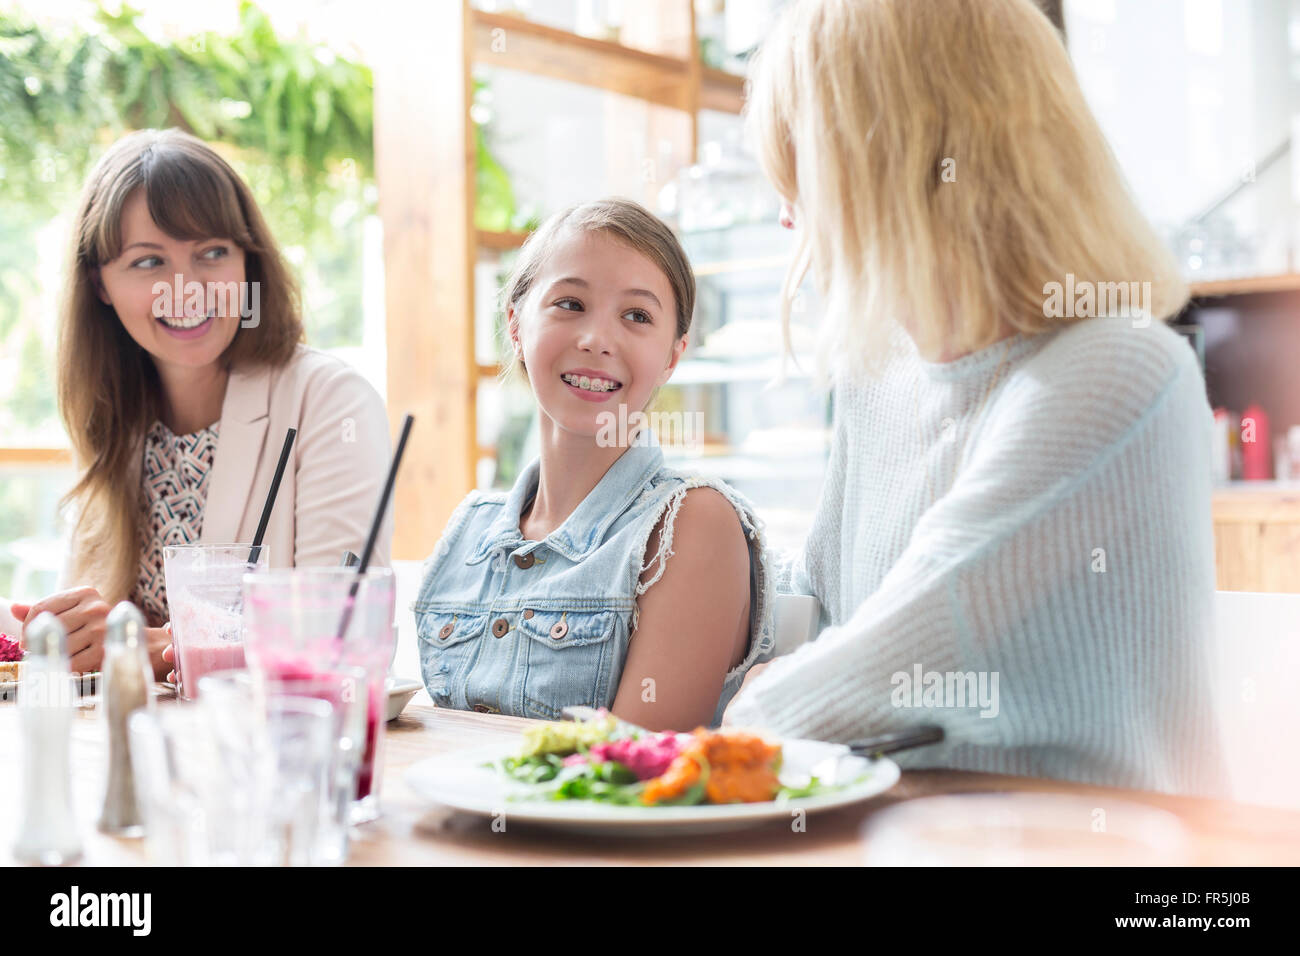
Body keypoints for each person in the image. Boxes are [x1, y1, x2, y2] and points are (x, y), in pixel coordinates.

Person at [723, 0, 1227, 796]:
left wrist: (744, 707)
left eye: (805, 175)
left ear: (898, 168)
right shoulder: (879, 371)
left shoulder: (1119, 371)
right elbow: (817, 613)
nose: (788, 217)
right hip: (897, 833)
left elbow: (872, 663)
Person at [5, 128, 392, 678]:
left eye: (212, 252)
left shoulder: (329, 402)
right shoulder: (114, 415)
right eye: (148, 262)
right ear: (100, 283)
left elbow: (344, 632)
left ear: (247, 263)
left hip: (270, 750)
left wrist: (146, 645)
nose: (186, 288)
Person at [414, 199, 773, 730]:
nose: (596, 340)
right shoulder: (468, 529)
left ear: (673, 356)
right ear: (515, 324)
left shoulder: (692, 525)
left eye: (637, 316)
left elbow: (628, 779)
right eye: (570, 304)